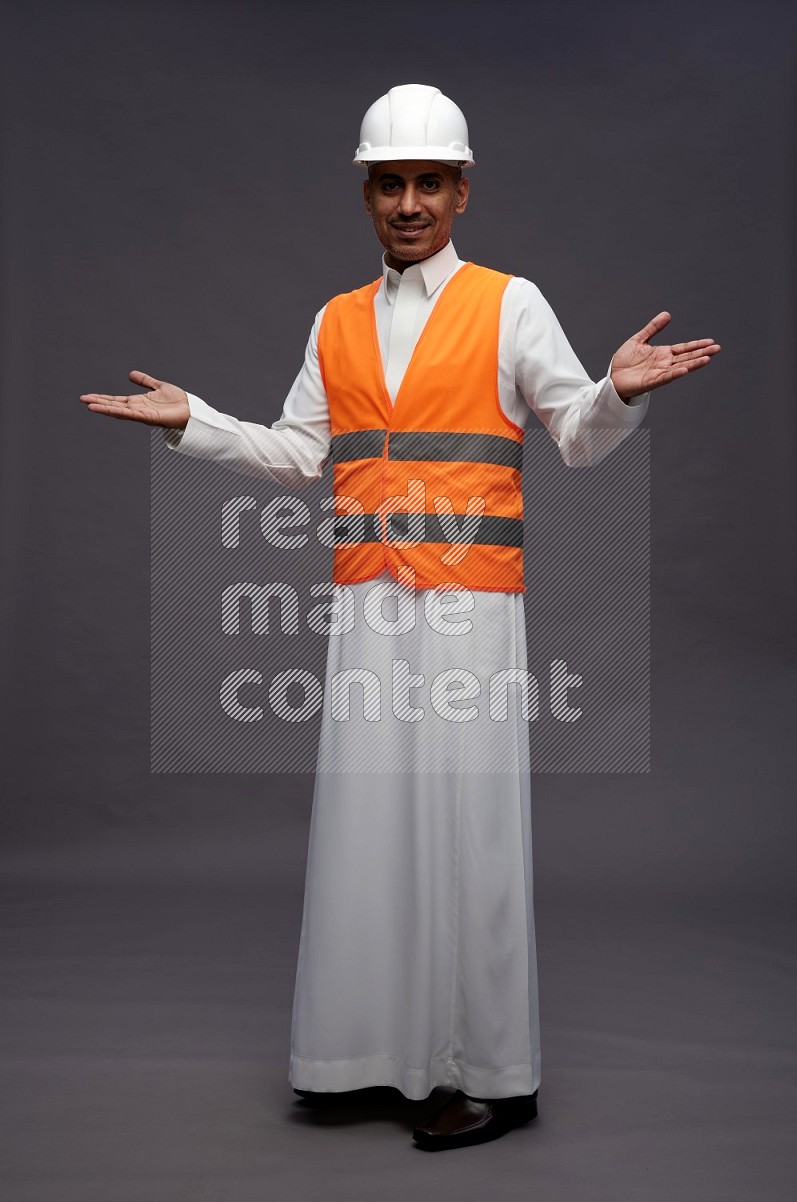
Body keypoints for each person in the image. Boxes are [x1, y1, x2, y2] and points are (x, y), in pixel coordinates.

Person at [80, 84, 721, 1151]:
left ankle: (481, 1072)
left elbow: (571, 431)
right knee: (367, 824)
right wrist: (192, 420)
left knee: (465, 828)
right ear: (367, 194)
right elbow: (297, 448)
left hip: (468, 607)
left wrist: (616, 390)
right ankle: (362, 1057)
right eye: (391, 182)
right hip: (369, 599)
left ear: (460, 192)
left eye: (429, 181)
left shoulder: (509, 304)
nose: (409, 201)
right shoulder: (335, 320)